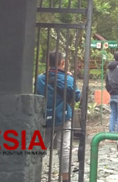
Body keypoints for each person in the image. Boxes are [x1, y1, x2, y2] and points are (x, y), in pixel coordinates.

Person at [36, 51, 81, 182]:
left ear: (48, 63)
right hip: (63, 118)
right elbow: (77, 97)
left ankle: (34, 173)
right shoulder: (67, 79)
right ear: (62, 63)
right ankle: (65, 178)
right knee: (64, 148)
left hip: (45, 119)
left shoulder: (40, 79)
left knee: (40, 147)